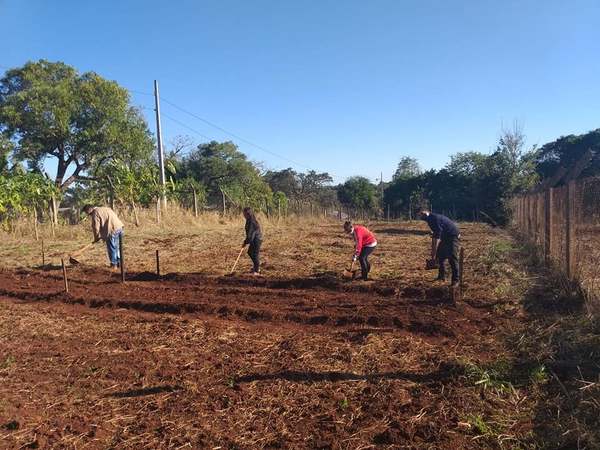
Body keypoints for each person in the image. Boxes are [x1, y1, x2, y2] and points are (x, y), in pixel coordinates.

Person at [419, 209, 460, 287]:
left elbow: (437, 237)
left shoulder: (435, 219)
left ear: (425, 213)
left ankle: (455, 281)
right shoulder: (430, 220)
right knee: (440, 256)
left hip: (453, 236)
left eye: (421, 214)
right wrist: (434, 252)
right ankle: (441, 277)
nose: (420, 216)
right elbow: (435, 235)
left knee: (452, 258)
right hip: (445, 237)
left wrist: (434, 252)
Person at [82, 205, 124, 269]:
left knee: (111, 248)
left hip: (111, 231)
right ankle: (120, 263)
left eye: (86, 212)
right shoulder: (105, 208)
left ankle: (114, 264)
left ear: (89, 210)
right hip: (119, 228)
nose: (87, 214)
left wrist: (96, 238)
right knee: (117, 247)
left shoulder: (95, 213)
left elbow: (96, 227)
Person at [242, 207, 262, 276]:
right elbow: (249, 234)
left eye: (244, 213)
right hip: (253, 240)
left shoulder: (252, 222)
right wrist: (246, 241)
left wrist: (245, 242)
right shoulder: (248, 220)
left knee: (254, 254)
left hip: (257, 239)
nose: (243, 214)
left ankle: (257, 271)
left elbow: (250, 234)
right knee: (250, 252)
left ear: (247, 213)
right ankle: (255, 267)